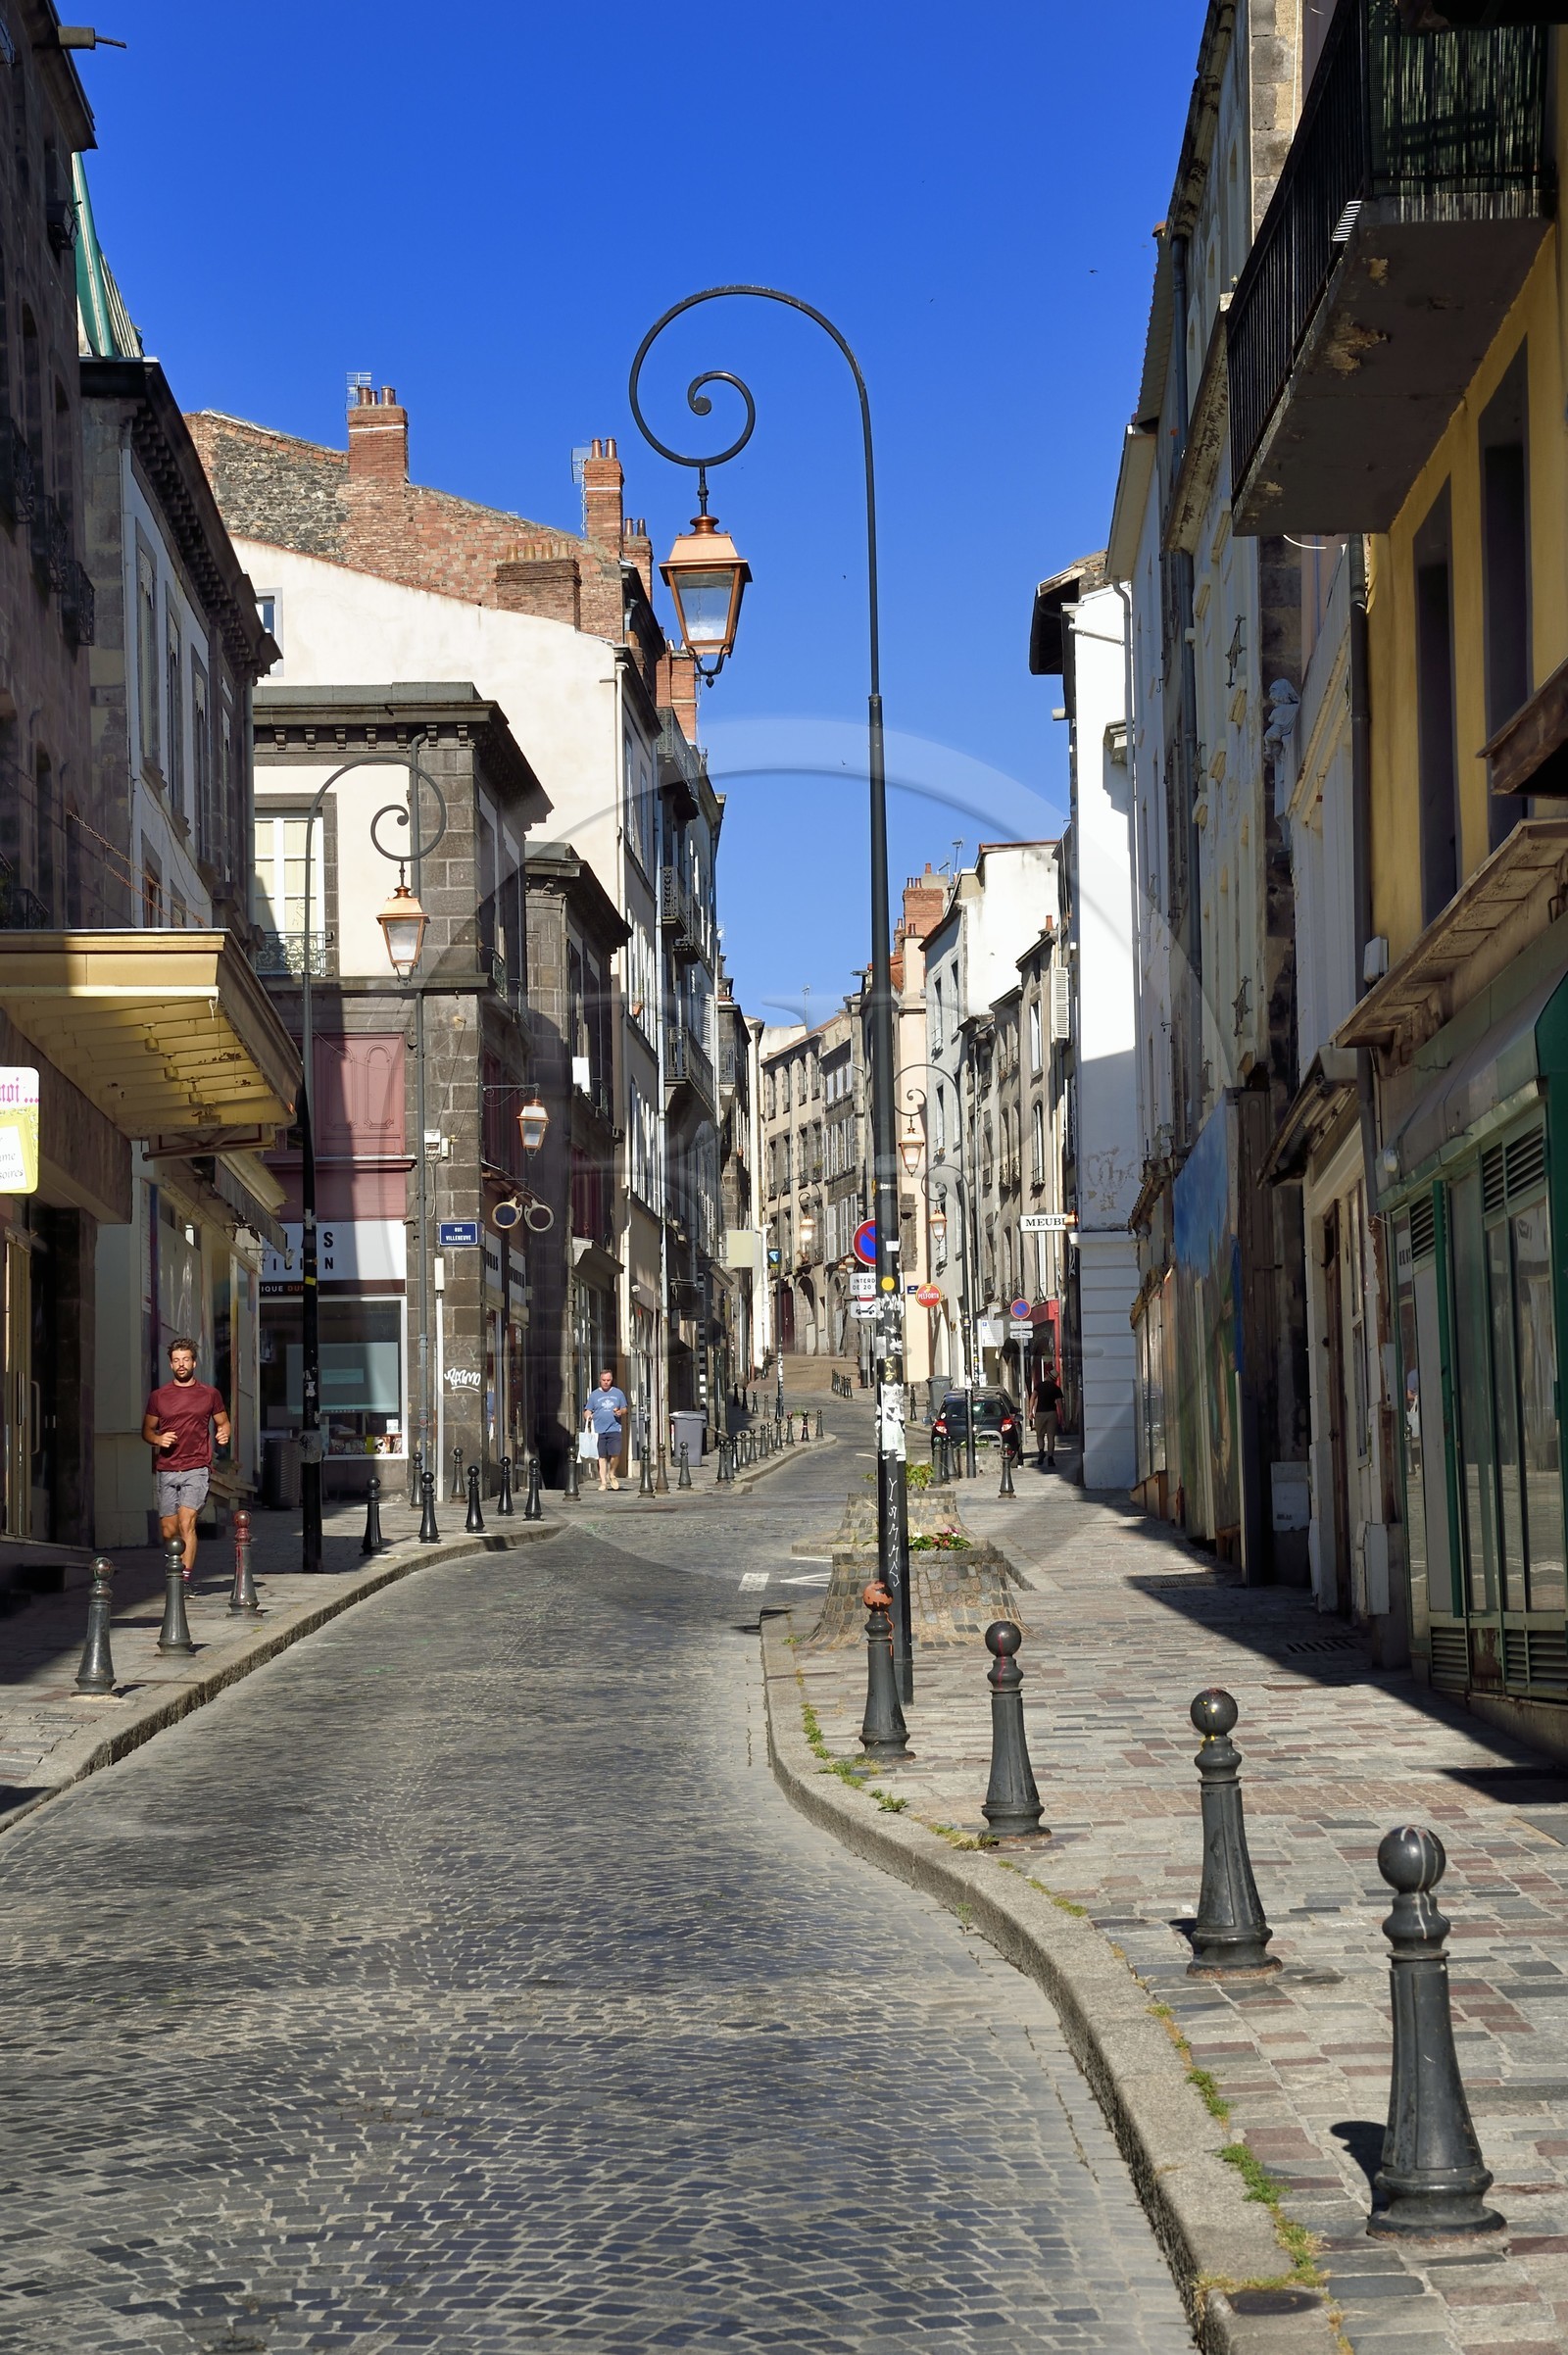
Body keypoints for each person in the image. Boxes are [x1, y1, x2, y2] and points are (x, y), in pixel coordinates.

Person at [142, 1338, 230, 1583]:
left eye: (186, 1360)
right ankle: (175, 1565)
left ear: (194, 1362)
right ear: (171, 1365)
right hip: (167, 1468)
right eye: (176, 1361)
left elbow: (223, 1422)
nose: (181, 1365)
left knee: (186, 1522)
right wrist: (158, 1440)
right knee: (169, 1530)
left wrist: (224, 1433)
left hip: (197, 1467)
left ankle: (183, 1580)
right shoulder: (158, 1397)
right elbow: (147, 1431)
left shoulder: (209, 1394)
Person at [582, 1366, 628, 1493]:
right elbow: (587, 1410)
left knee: (616, 1454)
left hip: (614, 1428)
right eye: (604, 1380)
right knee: (601, 1457)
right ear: (600, 1380)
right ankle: (603, 1482)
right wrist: (588, 1416)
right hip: (599, 1430)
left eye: (608, 1380)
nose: (606, 1382)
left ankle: (612, 1473)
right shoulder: (594, 1395)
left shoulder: (618, 1393)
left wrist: (620, 1412)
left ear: (611, 1380)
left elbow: (625, 1409)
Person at [1031, 1367, 1063, 1468]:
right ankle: (1050, 1458)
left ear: (1047, 1375)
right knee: (1051, 1437)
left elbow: (1033, 1397)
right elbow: (1059, 1404)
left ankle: (1041, 1451)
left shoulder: (1040, 1386)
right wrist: (1061, 1417)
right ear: (1054, 1379)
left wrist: (1030, 1411)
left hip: (1040, 1413)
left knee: (1039, 1435)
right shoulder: (1056, 1388)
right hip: (1052, 1413)